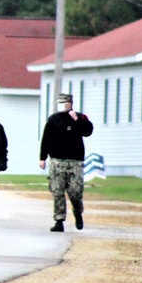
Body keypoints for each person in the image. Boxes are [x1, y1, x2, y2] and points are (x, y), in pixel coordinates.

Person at [39, 92, 93, 232]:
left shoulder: (80, 117)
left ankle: (77, 212)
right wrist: (42, 158)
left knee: (75, 191)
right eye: (60, 103)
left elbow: (88, 132)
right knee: (57, 191)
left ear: (70, 104)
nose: (62, 105)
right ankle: (59, 220)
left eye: (65, 102)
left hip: (75, 161)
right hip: (57, 160)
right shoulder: (53, 120)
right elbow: (46, 139)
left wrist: (78, 120)